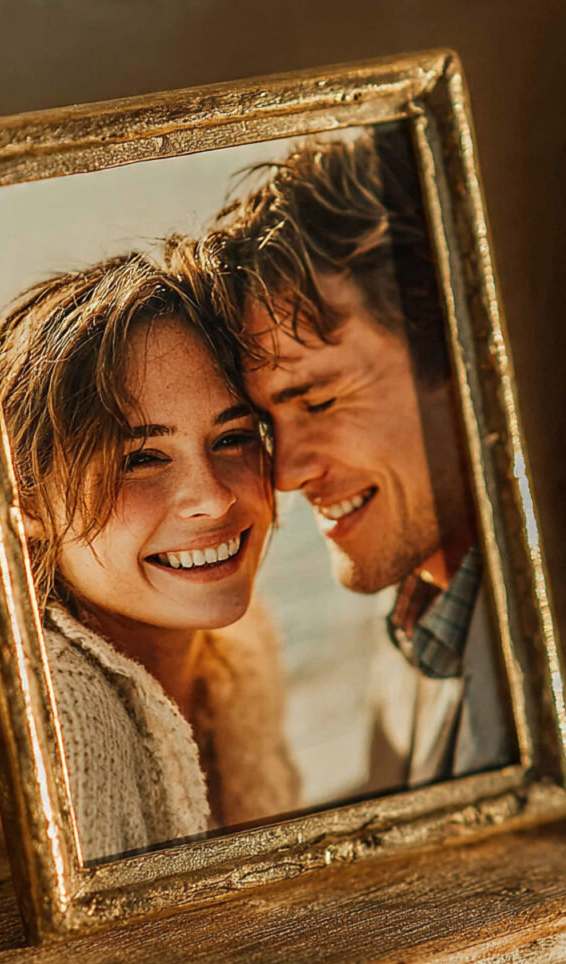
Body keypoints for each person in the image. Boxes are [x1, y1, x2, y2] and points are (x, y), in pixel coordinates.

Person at [201, 128, 515, 788]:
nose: (284, 475)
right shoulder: (415, 608)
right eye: (262, 423)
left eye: (317, 401)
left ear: (467, 364)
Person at [0, 253, 300, 863]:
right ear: (23, 498)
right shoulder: (64, 721)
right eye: (142, 459)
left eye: (232, 439)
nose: (213, 498)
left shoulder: (241, 649)